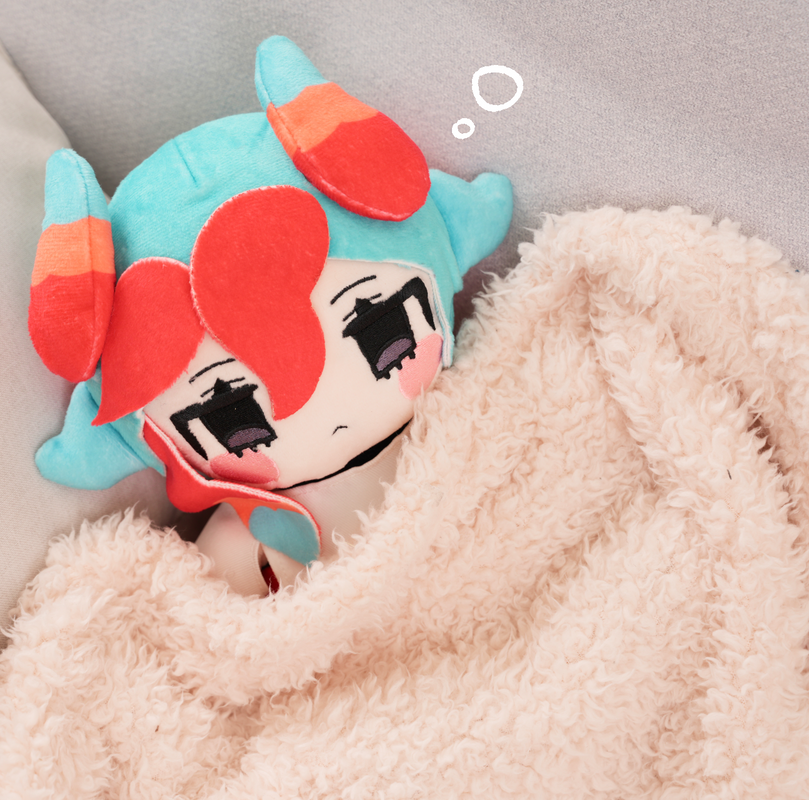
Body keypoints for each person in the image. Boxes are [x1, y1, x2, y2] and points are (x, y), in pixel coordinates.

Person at [28, 35, 512, 594]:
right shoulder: (257, 542)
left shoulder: (490, 410)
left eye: (386, 336)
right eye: (236, 422)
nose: (336, 420)